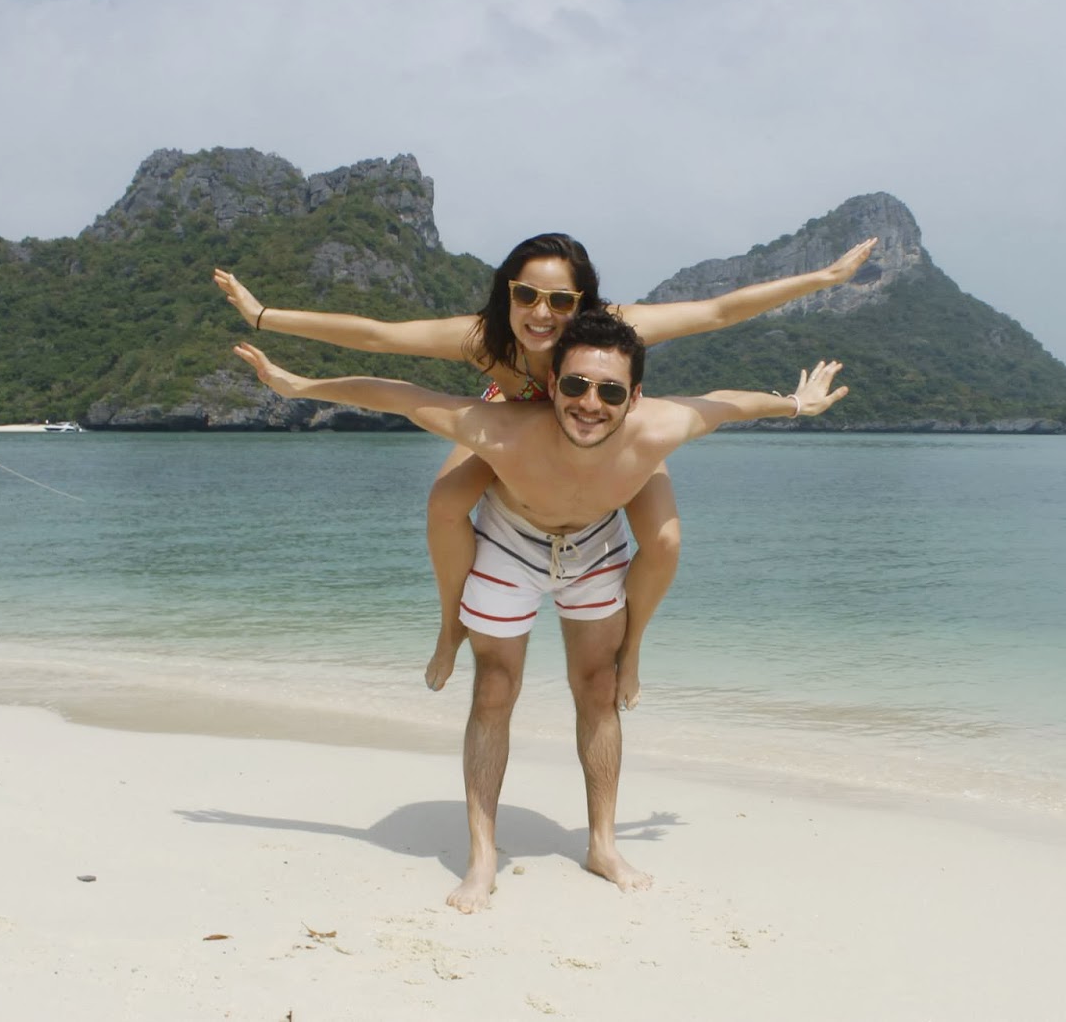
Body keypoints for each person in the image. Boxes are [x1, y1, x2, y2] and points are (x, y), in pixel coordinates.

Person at [232, 311, 847, 913]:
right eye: (576, 385)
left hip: (594, 545)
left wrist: (796, 404)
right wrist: (299, 387)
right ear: (552, 384)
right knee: (494, 688)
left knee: (599, 687)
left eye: (610, 391)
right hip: (509, 539)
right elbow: (403, 396)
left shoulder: (660, 427)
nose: (590, 403)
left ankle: (602, 846)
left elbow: (729, 403)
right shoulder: (503, 428)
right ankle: (482, 857)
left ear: (634, 398)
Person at [214, 235, 875, 707]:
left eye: (560, 301)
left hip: (601, 429)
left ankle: (631, 650)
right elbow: (379, 339)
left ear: (582, 303)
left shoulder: (612, 331)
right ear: (508, 293)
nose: (541, 313)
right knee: (444, 504)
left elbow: (719, 312)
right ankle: (451, 624)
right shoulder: (485, 338)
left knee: (667, 541)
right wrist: (267, 321)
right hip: (515, 426)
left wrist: (823, 280)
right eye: (527, 294)